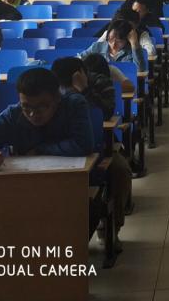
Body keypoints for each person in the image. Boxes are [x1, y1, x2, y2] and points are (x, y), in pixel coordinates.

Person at [51, 56, 133, 233]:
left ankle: (112, 229)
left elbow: (106, 113)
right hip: (60, 151)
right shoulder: (51, 91)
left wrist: (84, 90)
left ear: (82, 73)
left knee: (120, 170)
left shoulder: (100, 82)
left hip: (101, 143)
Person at [0, 68, 93, 171]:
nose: (32, 114)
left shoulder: (73, 105)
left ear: (57, 98)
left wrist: (40, 150)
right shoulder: (14, 113)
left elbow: (83, 144)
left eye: (41, 107)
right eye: (26, 107)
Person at [79, 19, 148, 72]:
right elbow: (79, 59)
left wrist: (134, 43)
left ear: (127, 39)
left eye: (119, 41)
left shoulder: (133, 51)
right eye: (110, 39)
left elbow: (140, 70)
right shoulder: (97, 47)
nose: (113, 44)